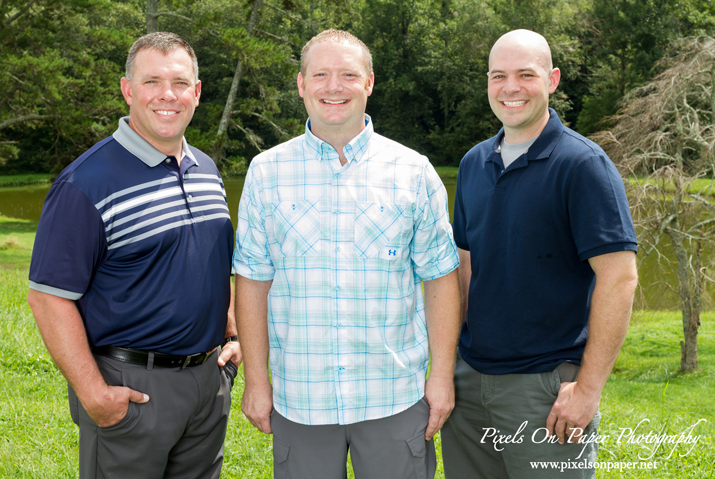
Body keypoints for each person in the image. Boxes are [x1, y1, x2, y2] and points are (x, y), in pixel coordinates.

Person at [233, 29, 461, 479]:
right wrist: (257, 382)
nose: (333, 87)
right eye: (320, 74)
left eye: (347, 75)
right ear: (301, 84)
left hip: (394, 395)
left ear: (369, 83)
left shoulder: (413, 171)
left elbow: (439, 278)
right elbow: (252, 282)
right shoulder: (266, 173)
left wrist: (441, 376)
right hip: (302, 399)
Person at [27, 32, 240, 479]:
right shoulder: (85, 183)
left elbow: (217, 263)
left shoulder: (207, 170)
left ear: (197, 93)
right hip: (132, 387)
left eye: (180, 83)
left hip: (207, 385)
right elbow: (48, 298)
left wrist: (234, 334)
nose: (168, 95)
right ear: (128, 90)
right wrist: (94, 394)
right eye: (152, 82)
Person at [440, 29, 638, 479]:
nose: (510, 87)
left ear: (552, 79)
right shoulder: (474, 162)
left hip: (547, 389)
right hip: (469, 385)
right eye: (498, 75)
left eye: (525, 74)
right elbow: (466, 267)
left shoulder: (583, 165)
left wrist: (587, 389)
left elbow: (620, 277)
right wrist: (447, 364)